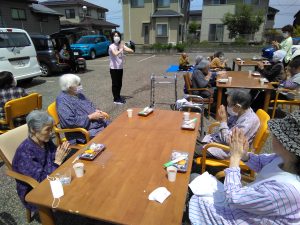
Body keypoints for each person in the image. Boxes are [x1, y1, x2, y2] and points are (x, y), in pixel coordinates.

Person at [189, 111, 300, 224]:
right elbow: (262, 163)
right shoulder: (283, 158)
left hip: (241, 217)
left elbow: (234, 198)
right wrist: (244, 155)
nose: (273, 135)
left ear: (285, 145)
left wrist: (235, 157)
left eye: (277, 134)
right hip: (245, 204)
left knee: (194, 185)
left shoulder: (288, 191)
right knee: (195, 179)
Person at [12, 110, 71, 212]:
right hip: (34, 190)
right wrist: (57, 161)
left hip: (52, 175)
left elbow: (54, 155)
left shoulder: (44, 141)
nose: (52, 133)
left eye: (51, 129)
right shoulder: (25, 153)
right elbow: (40, 181)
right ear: (33, 130)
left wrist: (62, 153)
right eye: (48, 130)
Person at [196, 89, 260, 159]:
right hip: (218, 140)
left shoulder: (247, 122)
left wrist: (223, 121)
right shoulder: (241, 111)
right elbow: (228, 126)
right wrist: (224, 120)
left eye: (229, 104)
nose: (227, 106)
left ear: (238, 106)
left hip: (227, 149)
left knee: (191, 148)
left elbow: (227, 141)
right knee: (193, 137)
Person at [56, 74, 110, 145]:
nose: (80, 86)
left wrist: (97, 111)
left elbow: (90, 105)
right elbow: (69, 122)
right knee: (109, 138)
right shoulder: (62, 100)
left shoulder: (78, 94)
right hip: (82, 133)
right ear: (69, 87)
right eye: (78, 84)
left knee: (117, 128)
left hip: (96, 125)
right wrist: (90, 117)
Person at [109, 31, 134, 104]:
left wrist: (132, 48)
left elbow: (127, 49)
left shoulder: (121, 44)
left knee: (120, 83)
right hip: (114, 68)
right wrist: (121, 49)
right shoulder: (111, 46)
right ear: (112, 37)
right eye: (115, 36)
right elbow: (115, 53)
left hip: (120, 67)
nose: (116, 37)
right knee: (115, 84)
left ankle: (118, 96)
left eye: (117, 35)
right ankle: (115, 99)